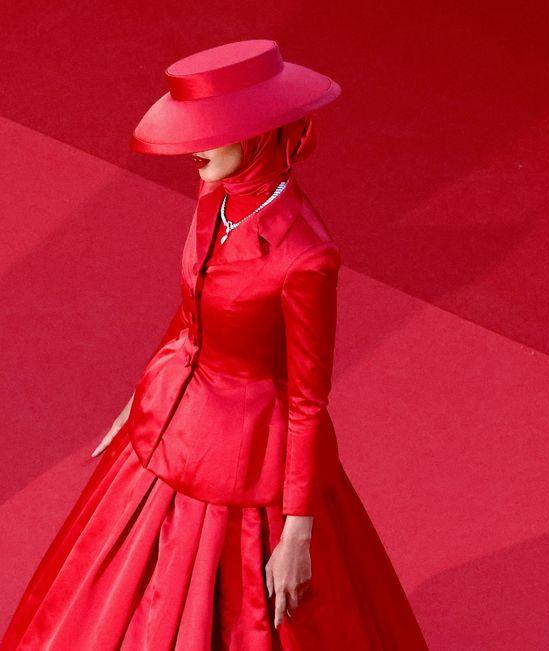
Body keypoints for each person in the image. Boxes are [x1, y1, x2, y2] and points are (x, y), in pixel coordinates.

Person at [0, 40, 429, 650]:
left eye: (210, 133)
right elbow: (192, 309)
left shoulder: (307, 258)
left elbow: (309, 400)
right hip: (171, 422)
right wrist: (143, 393)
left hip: (248, 460)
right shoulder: (216, 195)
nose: (194, 147)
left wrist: (297, 536)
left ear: (254, 138)